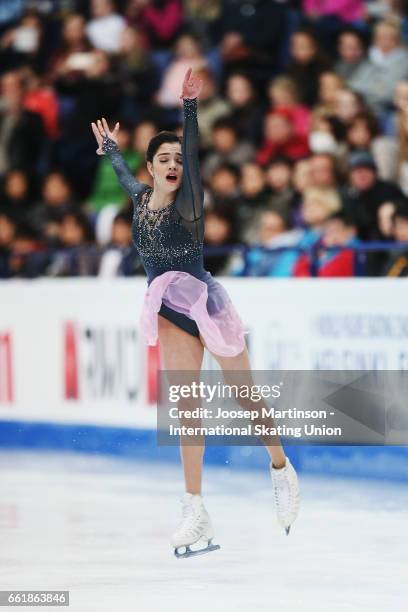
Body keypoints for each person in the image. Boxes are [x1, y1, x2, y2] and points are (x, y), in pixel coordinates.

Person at [91, 68, 300, 558]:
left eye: (177, 158)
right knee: (186, 409)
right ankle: (194, 506)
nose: (172, 164)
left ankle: (280, 468)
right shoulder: (141, 200)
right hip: (169, 311)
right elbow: (123, 176)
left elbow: (196, 156)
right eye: (162, 158)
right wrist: (112, 153)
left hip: (207, 306)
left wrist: (189, 108)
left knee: (245, 398)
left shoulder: (189, 201)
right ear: (150, 166)